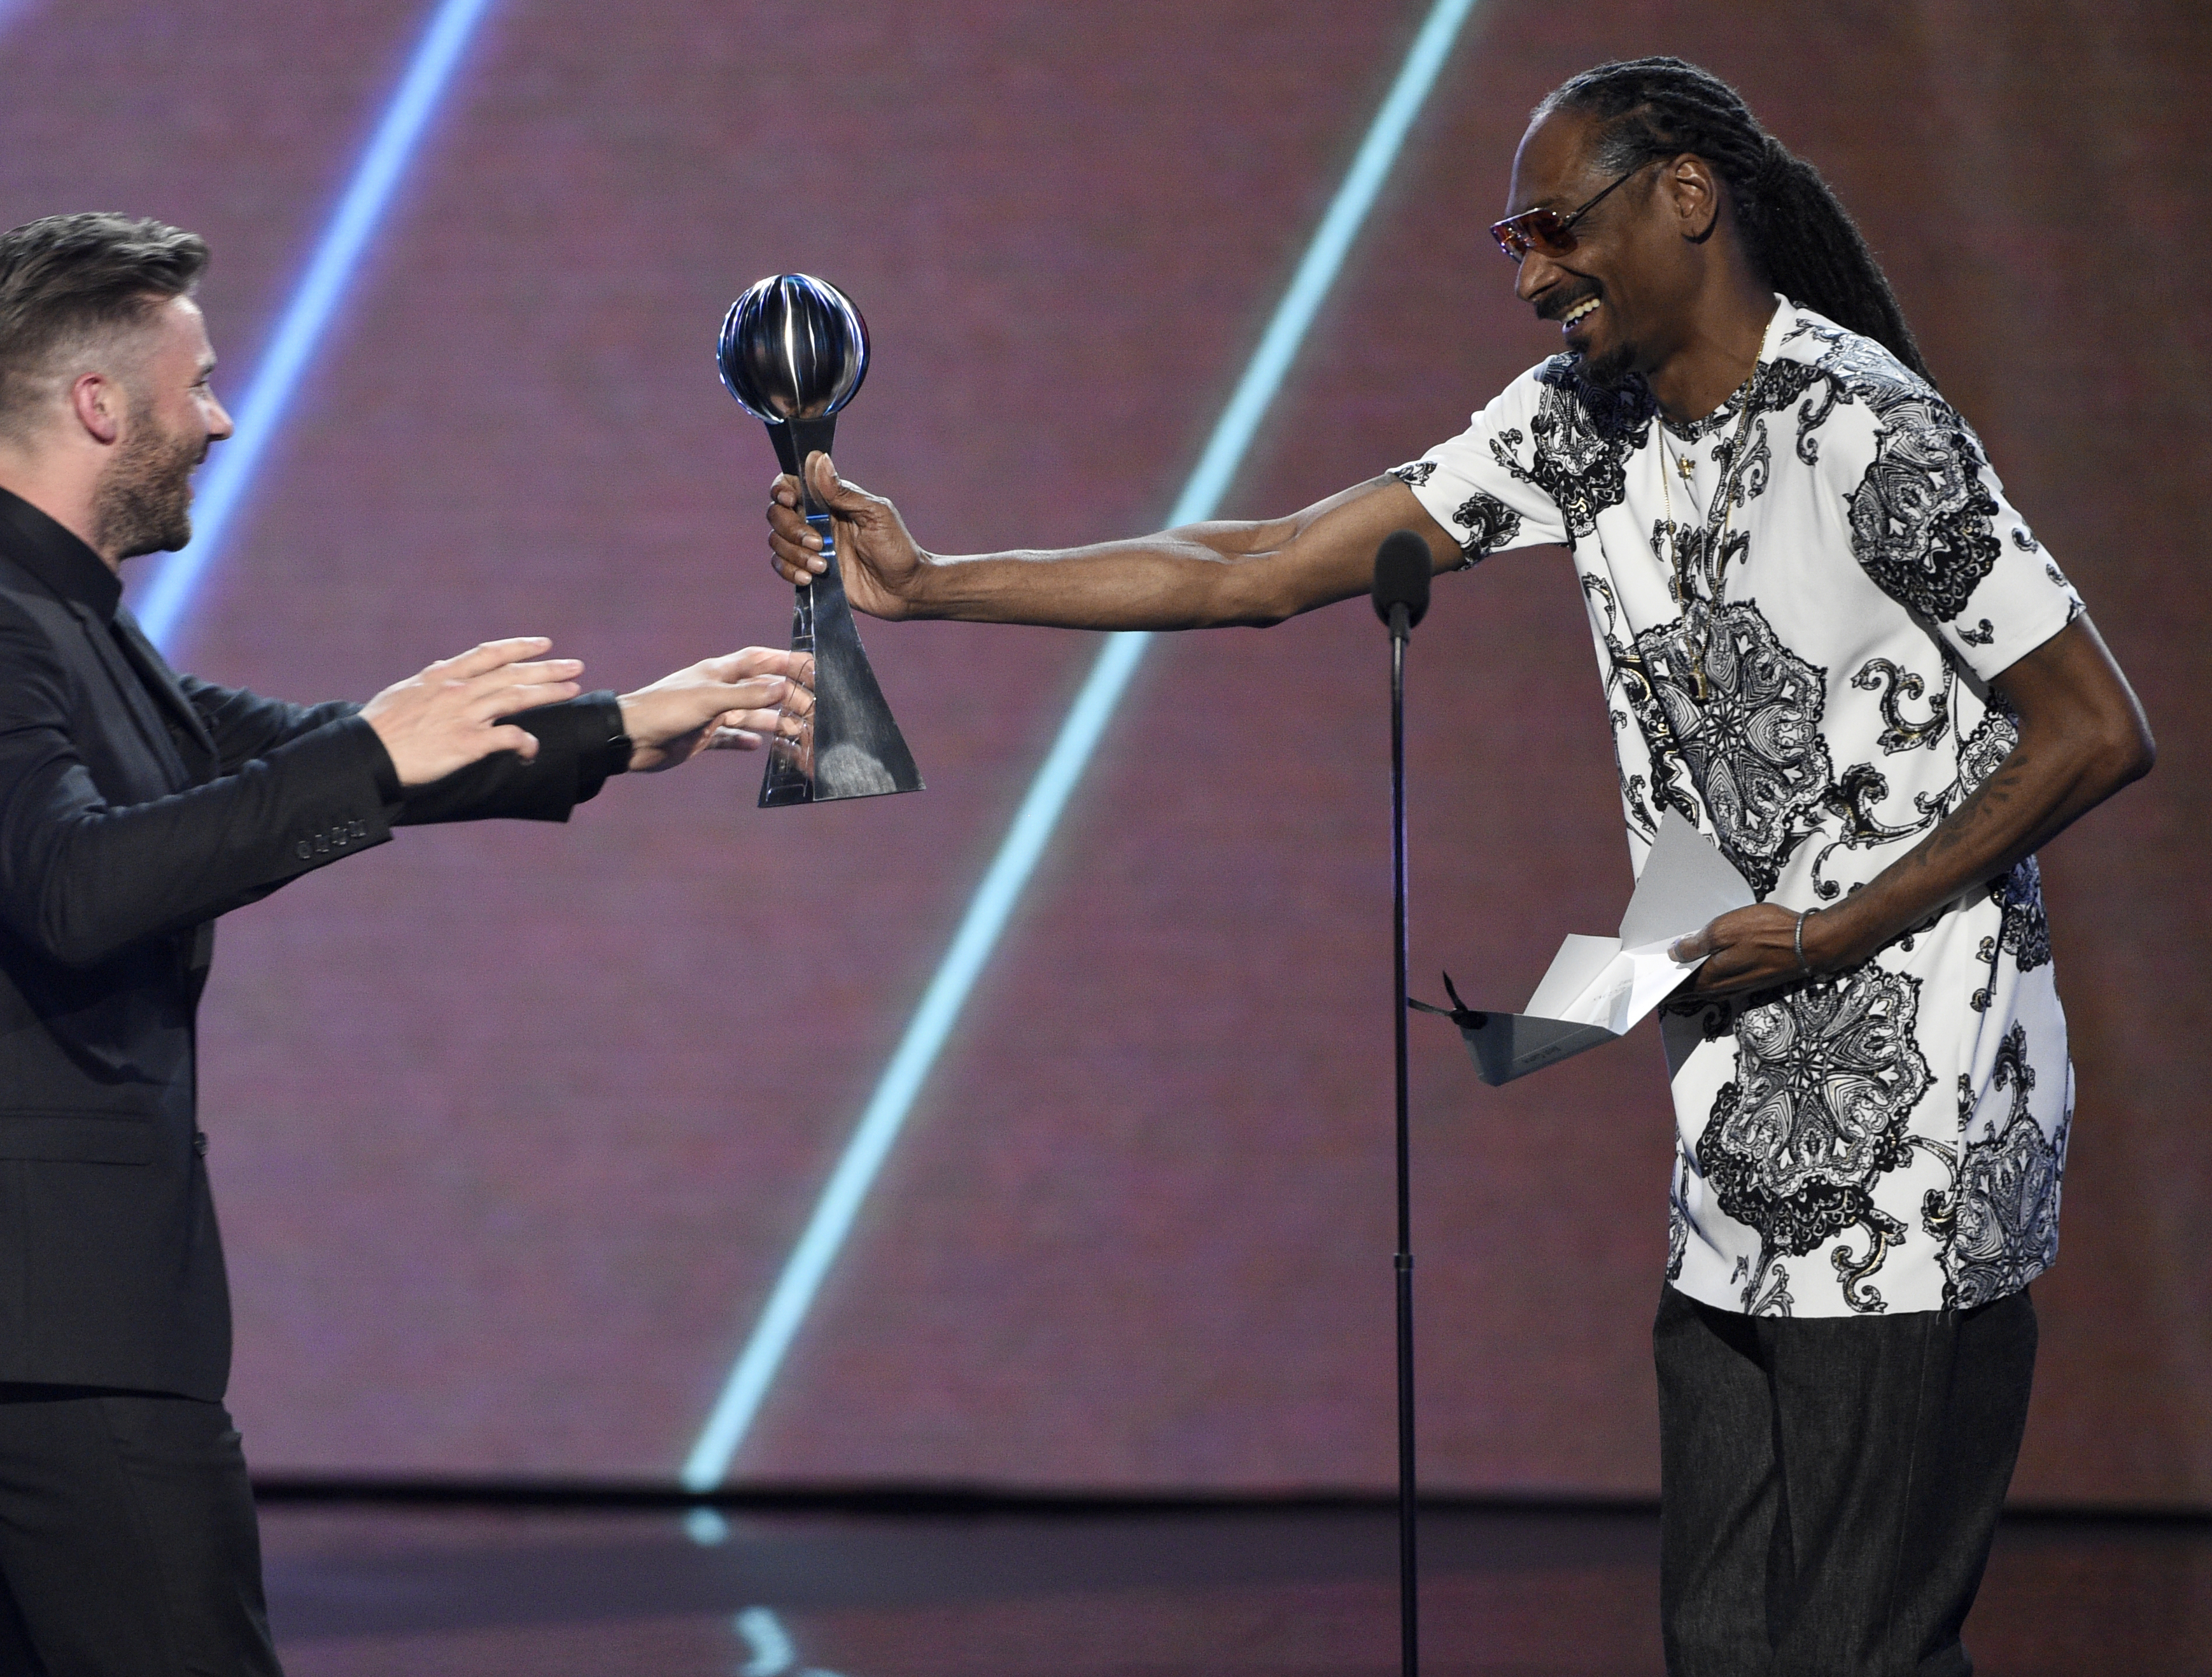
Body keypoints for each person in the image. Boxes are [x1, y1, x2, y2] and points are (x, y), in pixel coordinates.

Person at [764, 57, 2152, 1676]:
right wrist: (933, 586)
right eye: (1510, 240)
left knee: (1857, 1653)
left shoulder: (1868, 432)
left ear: (1685, 198)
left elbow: (2090, 729)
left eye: (1553, 228)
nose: (1529, 276)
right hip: (1735, 1139)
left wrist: (1840, 925)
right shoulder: (1582, 428)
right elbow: (1263, 565)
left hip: (1919, 1136)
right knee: (1720, 1645)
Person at [0, 211, 797, 1676]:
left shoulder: (38, 617)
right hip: (29, 1315)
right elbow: (78, 884)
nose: (222, 418)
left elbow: (281, 751)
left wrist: (623, 728)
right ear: (100, 405)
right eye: (198, 385)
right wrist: (372, 755)